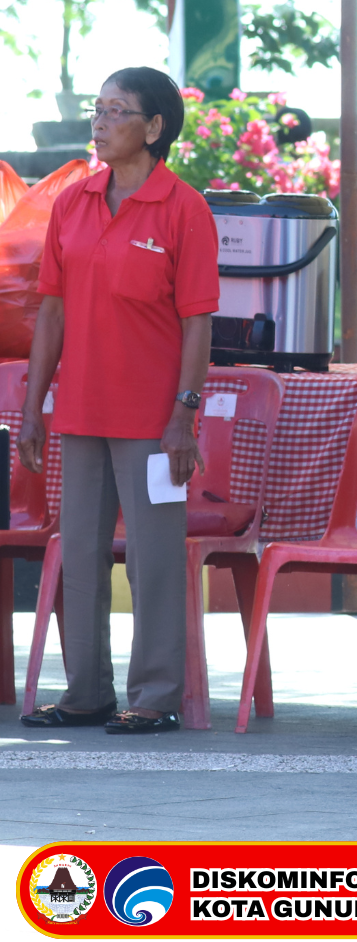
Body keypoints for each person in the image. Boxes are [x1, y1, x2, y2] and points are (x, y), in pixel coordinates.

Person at [19, 68, 216, 735]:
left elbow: (197, 321)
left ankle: (155, 696)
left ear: (154, 127)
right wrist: (33, 408)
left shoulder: (184, 208)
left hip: (155, 423)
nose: (100, 122)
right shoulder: (73, 203)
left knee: (154, 559)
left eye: (117, 110)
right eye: (97, 109)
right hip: (79, 411)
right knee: (80, 555)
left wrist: (184, 414)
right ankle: (86, 692)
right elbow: (51, 313)